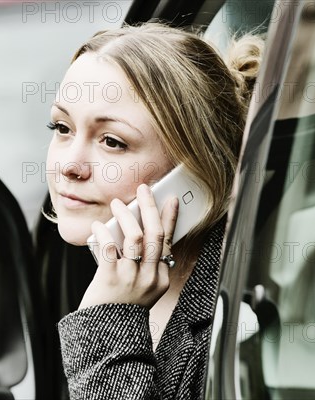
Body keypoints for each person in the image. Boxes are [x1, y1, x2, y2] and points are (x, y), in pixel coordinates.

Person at [45, 22, 263, 399]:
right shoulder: (113, 274)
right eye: (62, 127)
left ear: (194, 172)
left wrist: (106, 323)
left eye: (112, 141)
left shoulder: (236, 325)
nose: (69, 165)